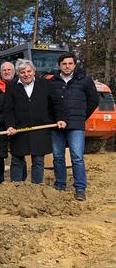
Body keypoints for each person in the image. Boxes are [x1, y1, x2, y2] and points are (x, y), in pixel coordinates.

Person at [3, 59, 65, 184]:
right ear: (18, 73)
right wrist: (10, 126)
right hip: (19, 130)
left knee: (38, 160)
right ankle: (15, 187)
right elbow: (8, 109)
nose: (26, 74)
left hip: (40, 129)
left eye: (29, 71)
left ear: (33, 71)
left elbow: (57, 104)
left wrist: (60, 119)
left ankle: (36, 188)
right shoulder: (11, 87)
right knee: (17, 160)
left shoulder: (45, 85)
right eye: (22, 72)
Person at [48, 53, 99, 201]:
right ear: (59, 65)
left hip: (76, 125)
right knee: (58, 157)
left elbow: (93, 101)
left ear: (74, 65)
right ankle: (60, 184)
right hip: (57, 126)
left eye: (70, 63)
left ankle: (80, 188)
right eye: (64, 64)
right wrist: (55, 119)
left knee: (77, 157)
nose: (67, 66)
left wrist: (82, 117)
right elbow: (49, 104)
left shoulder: (85, 81)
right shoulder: (53, 82)